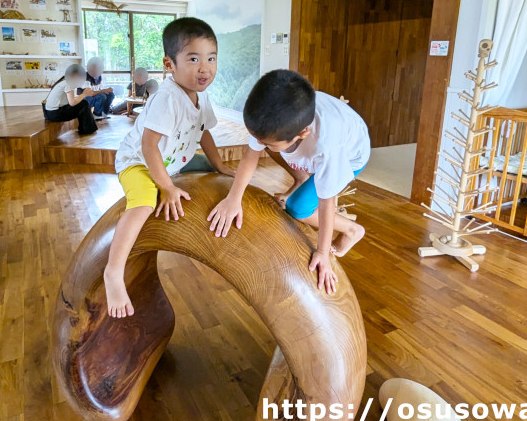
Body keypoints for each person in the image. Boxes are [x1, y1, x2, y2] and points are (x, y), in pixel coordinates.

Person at [105, 17, 235, 318]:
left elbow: (204, 132)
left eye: (211, 58)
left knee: (218, 175)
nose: (205, 68)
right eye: (193, 59)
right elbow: (149, 147)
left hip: (176, 161)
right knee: (142, 204)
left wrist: (219, 166)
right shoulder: (167, 98)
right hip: (138, 163)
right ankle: (113, 272)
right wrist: (166, 187)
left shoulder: (201, 97)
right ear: (169, 64)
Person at [207, 70, 370, 295]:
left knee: (297, 207)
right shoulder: (282, 120)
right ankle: (300, 177)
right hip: (311, 146)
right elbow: (250, 155)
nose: (258, 143)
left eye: (265, 142)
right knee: (268, 145)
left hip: (351, 156)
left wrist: (322, 252)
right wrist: (233, 199)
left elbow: (327, 201)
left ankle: (352, 230)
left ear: (302, 133)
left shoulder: (327, 148)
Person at [43, 64, 99, 135]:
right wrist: (84, 94)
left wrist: (82, 96)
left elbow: (71, 101)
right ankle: (87, 129)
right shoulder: (68, 84)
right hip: (55, 114)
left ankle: (86, 129)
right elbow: (72, 103)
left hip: (48, 113)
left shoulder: (63, 81)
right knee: (84, 103)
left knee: (82, 103)